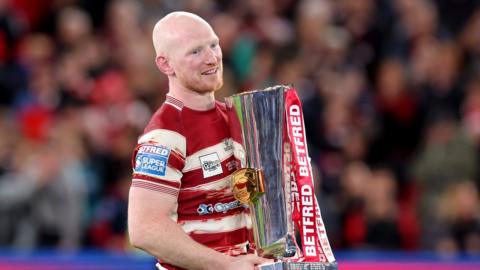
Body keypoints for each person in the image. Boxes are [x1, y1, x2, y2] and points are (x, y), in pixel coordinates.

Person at [127, 11, 270, 270]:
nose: (212, 58)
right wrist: (226, 265)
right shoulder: (164, 135)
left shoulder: (236, 117)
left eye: (213, 44)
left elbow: (245, 201)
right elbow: (144, 229)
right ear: (165, 64)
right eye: (195, 51)